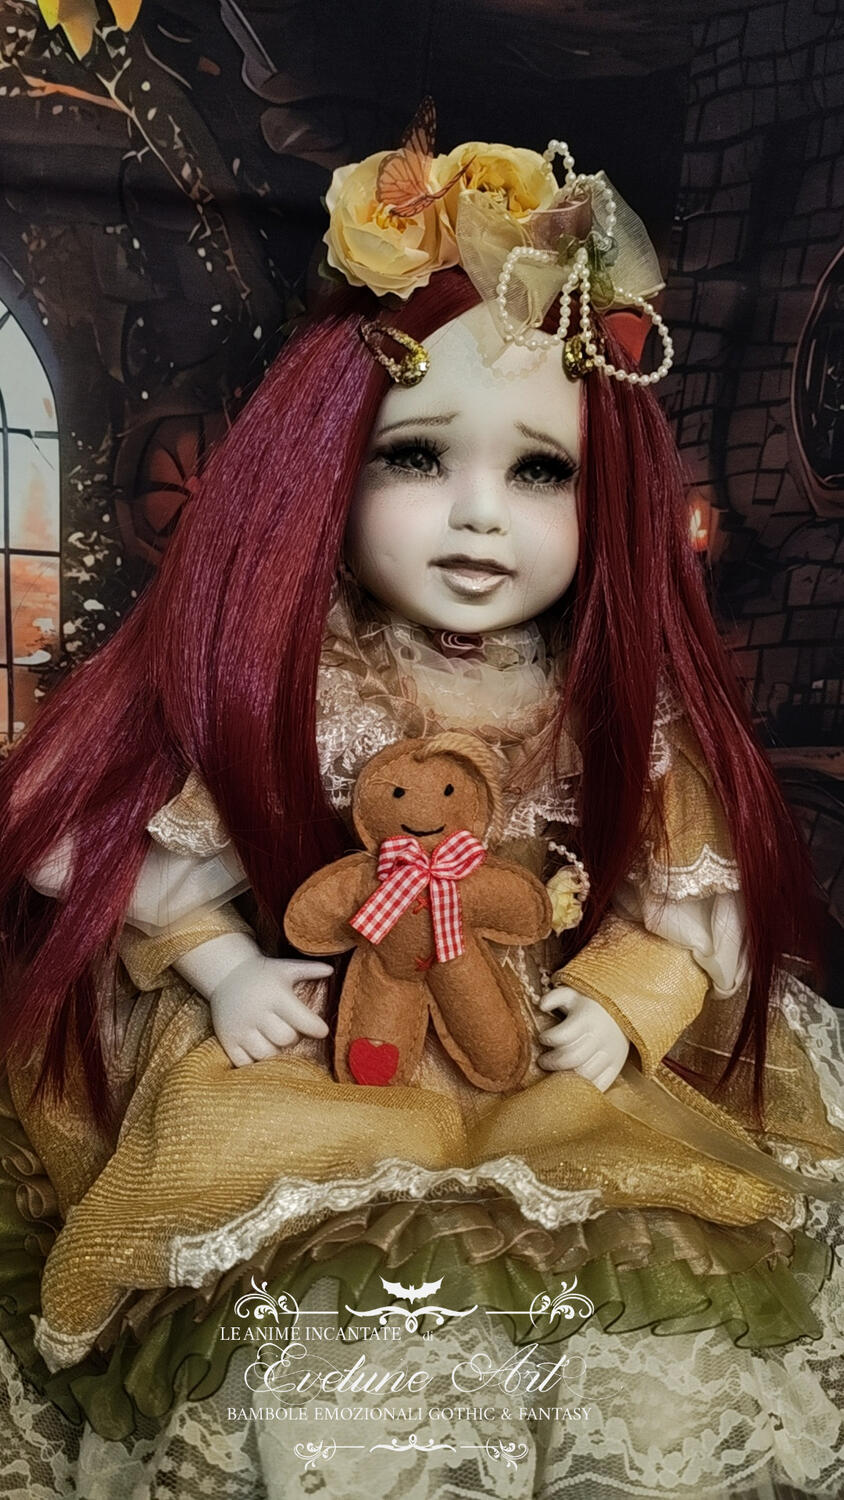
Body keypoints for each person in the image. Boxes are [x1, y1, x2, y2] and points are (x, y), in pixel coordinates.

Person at [0, 118, 842, 1500]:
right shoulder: (305, 672)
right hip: (325, 1049)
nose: (477, 519)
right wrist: (219, 963)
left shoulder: (607, 706)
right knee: (314, 1292)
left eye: (540, 471)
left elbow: (686, 885)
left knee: (614, 1282)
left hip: (541, 1041)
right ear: (325, 470)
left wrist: (629, 1002)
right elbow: (150, 834)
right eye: (415, 458)